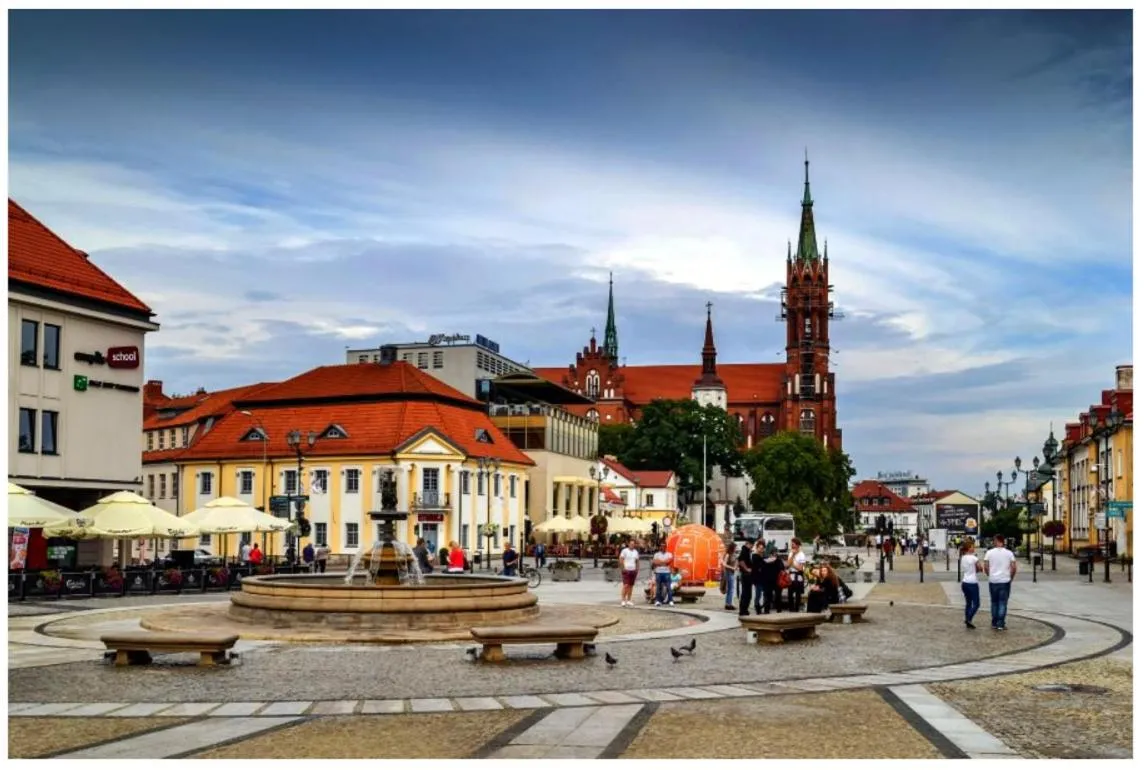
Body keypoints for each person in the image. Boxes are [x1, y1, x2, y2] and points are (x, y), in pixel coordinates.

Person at [984, 534, 1017, 631]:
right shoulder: (1009, 553)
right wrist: (1011, 577)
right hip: (1004, 580)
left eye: (994, 540)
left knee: (994, 602)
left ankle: (994, 622)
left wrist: (989, 574)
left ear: (998, 540)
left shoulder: (989, 553)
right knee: (1002, 602)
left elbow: (985, 566)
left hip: (993, 581)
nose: (993, 542)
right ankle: (1000, 623)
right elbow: (1014, 567)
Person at [959, 541, 982, 629]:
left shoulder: (963, 557)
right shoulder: (974, 558)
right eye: (972, 546)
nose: (974, 548)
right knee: (976, 604)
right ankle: (969, 619)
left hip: (965, 582)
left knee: (968, 603)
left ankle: (967, 619)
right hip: (972, 582)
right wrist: (980, 568)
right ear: (969, 548)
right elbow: (979, 568)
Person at [759, 544, 784, 613]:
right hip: (776, 581)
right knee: (777, 596)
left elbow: (762, 570)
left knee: (768, 596)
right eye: (774, 553)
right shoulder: (778, 560)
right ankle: (778, 610)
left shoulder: (765, 560)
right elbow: (782, 569)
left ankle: (767, 610)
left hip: (769, 581)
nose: (774, 554)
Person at [785, 537, 807, 611]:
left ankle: (796, 609)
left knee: (798, 594)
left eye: (793, 544)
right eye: (791, 544)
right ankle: (791, 609)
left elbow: (801, 568)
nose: (792, 546)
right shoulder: (791, 553)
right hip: (791, 575)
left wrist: (793, 565)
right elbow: (787, 565)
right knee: (790, 593)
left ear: (797, 545)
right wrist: (793, 555)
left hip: (798, 575)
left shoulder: (802, 555)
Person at [618, 539, 640, 607]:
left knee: (631, 586)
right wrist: (623, 568)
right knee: (626, 585)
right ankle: (623, 600)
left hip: (633, 570)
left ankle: (629, 600)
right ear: (628, 544)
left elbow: (637, 561)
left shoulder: (636, 552)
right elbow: (621, 559)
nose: (632, 545)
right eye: (631, 544)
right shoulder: (624, 551)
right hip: (626, 569)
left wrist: (637, 569)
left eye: (633, 544)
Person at [737, 539, 756, 616]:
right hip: (746, 574)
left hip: (747, 574)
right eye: (752, 545)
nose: (752, 546)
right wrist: (747, 569)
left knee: (747, 593)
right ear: (748, 544)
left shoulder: (747, 551)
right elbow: (741, 561)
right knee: (746, 593)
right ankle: (743, 610)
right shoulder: (744, 550)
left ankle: (745, 609)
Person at [720, 541, 738, 611]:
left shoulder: (733, 554)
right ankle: (729, 604)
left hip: (731, 572)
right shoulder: (728, 555)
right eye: (735, 547)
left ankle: (728, 603)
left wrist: (735, 567)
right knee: (731, 589)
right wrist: (732, 568)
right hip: (729, 572)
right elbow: (724, 564)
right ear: (732, 548)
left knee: (731, 589)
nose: (736, 548)